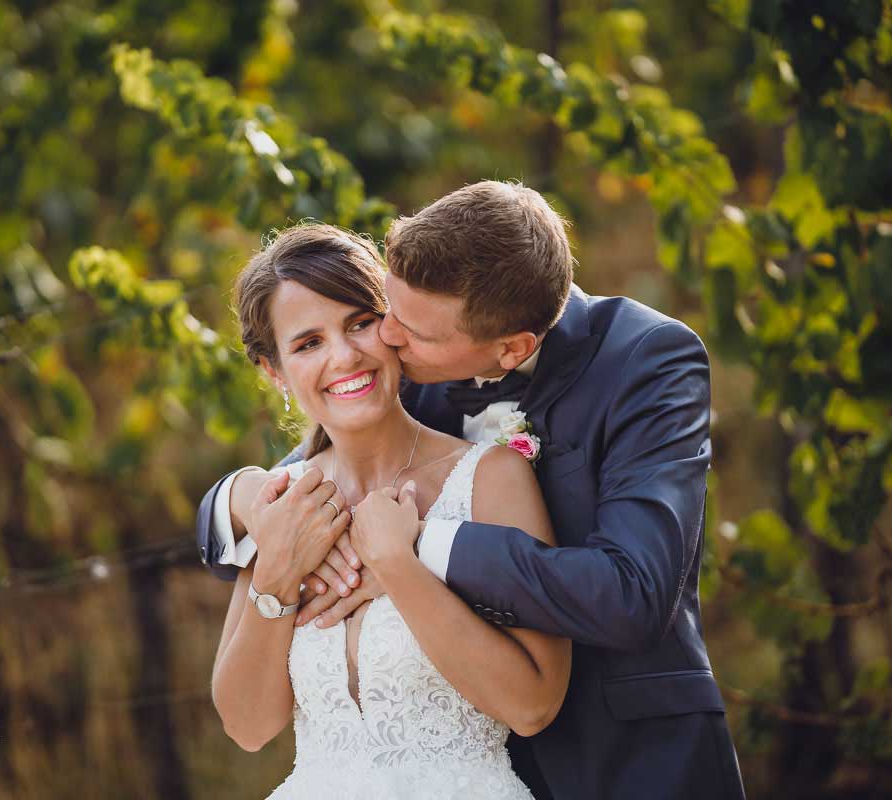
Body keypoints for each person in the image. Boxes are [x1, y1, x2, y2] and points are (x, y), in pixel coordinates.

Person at [199, 181, 746, 798]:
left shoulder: (646, 361)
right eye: (388, 313)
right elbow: (326, 452)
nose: (384, 340)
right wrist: (244, 502)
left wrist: (413, 553)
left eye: (370, 323)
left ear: (511, 349)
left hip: (628, 761)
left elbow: (633, 595)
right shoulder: (414, 352)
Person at [209, 223, 571, 799]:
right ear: (274, 371)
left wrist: (399, 566)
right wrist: (276, 571)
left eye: (360, 323)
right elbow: (248, 728)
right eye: (309, 343)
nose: (344, 356)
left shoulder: (489, 477)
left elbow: (533, 705)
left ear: (394, 326)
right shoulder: (280, 505)